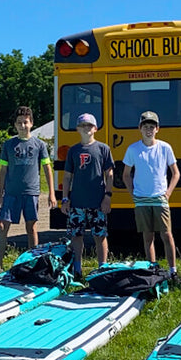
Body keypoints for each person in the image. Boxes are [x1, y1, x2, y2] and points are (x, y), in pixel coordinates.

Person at [0, 106, 56, 271]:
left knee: (31, 227)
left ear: (31, 123)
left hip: (31, 192)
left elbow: (47, 169)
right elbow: (3, 170)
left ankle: (33, 263)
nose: (23, 125)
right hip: (11, 193)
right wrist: (0, 195)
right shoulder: (8, 145)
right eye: (19, 123)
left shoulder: (39, 145)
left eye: (26, 122)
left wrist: (51, 193)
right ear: (15, 125)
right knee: (2, 226)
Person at [124, 111, 180, 277]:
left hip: (160, 198)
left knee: (167, 235)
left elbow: (175, 173)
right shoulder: (133, 149)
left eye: (152, 127)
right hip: (141, 199)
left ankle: (173, 271)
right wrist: (133, 193)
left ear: (157, 129)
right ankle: (152, 270)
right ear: (139, 128)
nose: (149, 130)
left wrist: (168, 193)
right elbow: (126, 174)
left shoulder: (165, 147)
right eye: (145, 127)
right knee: (148, 236)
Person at [60, 113, 114, 276]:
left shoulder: (103, 149)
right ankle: (77, 268)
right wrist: (65, 198)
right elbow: (67, 176)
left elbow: (109, 174)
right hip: (77, 202)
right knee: (76, 235)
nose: (86, 128)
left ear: (95, 128)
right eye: (83, 125)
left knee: (100, 235)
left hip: (98, 202)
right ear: (77, 129)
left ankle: (102, 268)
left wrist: (108, 196)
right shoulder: (73, 150)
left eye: (89, 125)